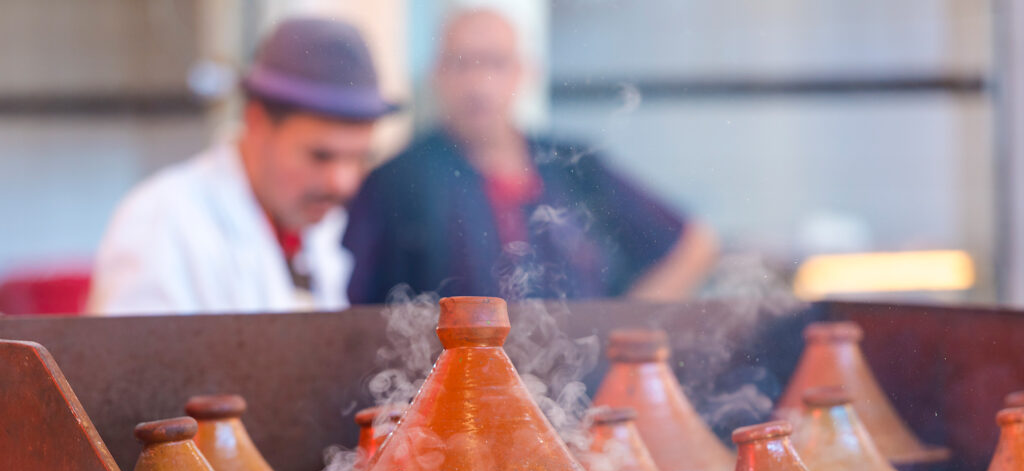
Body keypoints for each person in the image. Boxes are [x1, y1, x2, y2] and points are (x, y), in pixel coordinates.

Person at [343, 9, 718, 304]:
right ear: (437, 74)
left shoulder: (574, 167)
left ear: (524, 73)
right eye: (462, 64)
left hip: (581, 390)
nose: (478, 84)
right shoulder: (398, 183)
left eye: (495, 63)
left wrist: (620, 333)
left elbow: (693, 245)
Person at [87, 18, 397, 315]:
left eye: (359, 157)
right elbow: (130, 368)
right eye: (320, 156)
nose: (342, 183)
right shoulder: (161, 222)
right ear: (257, 122)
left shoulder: (314, 225)